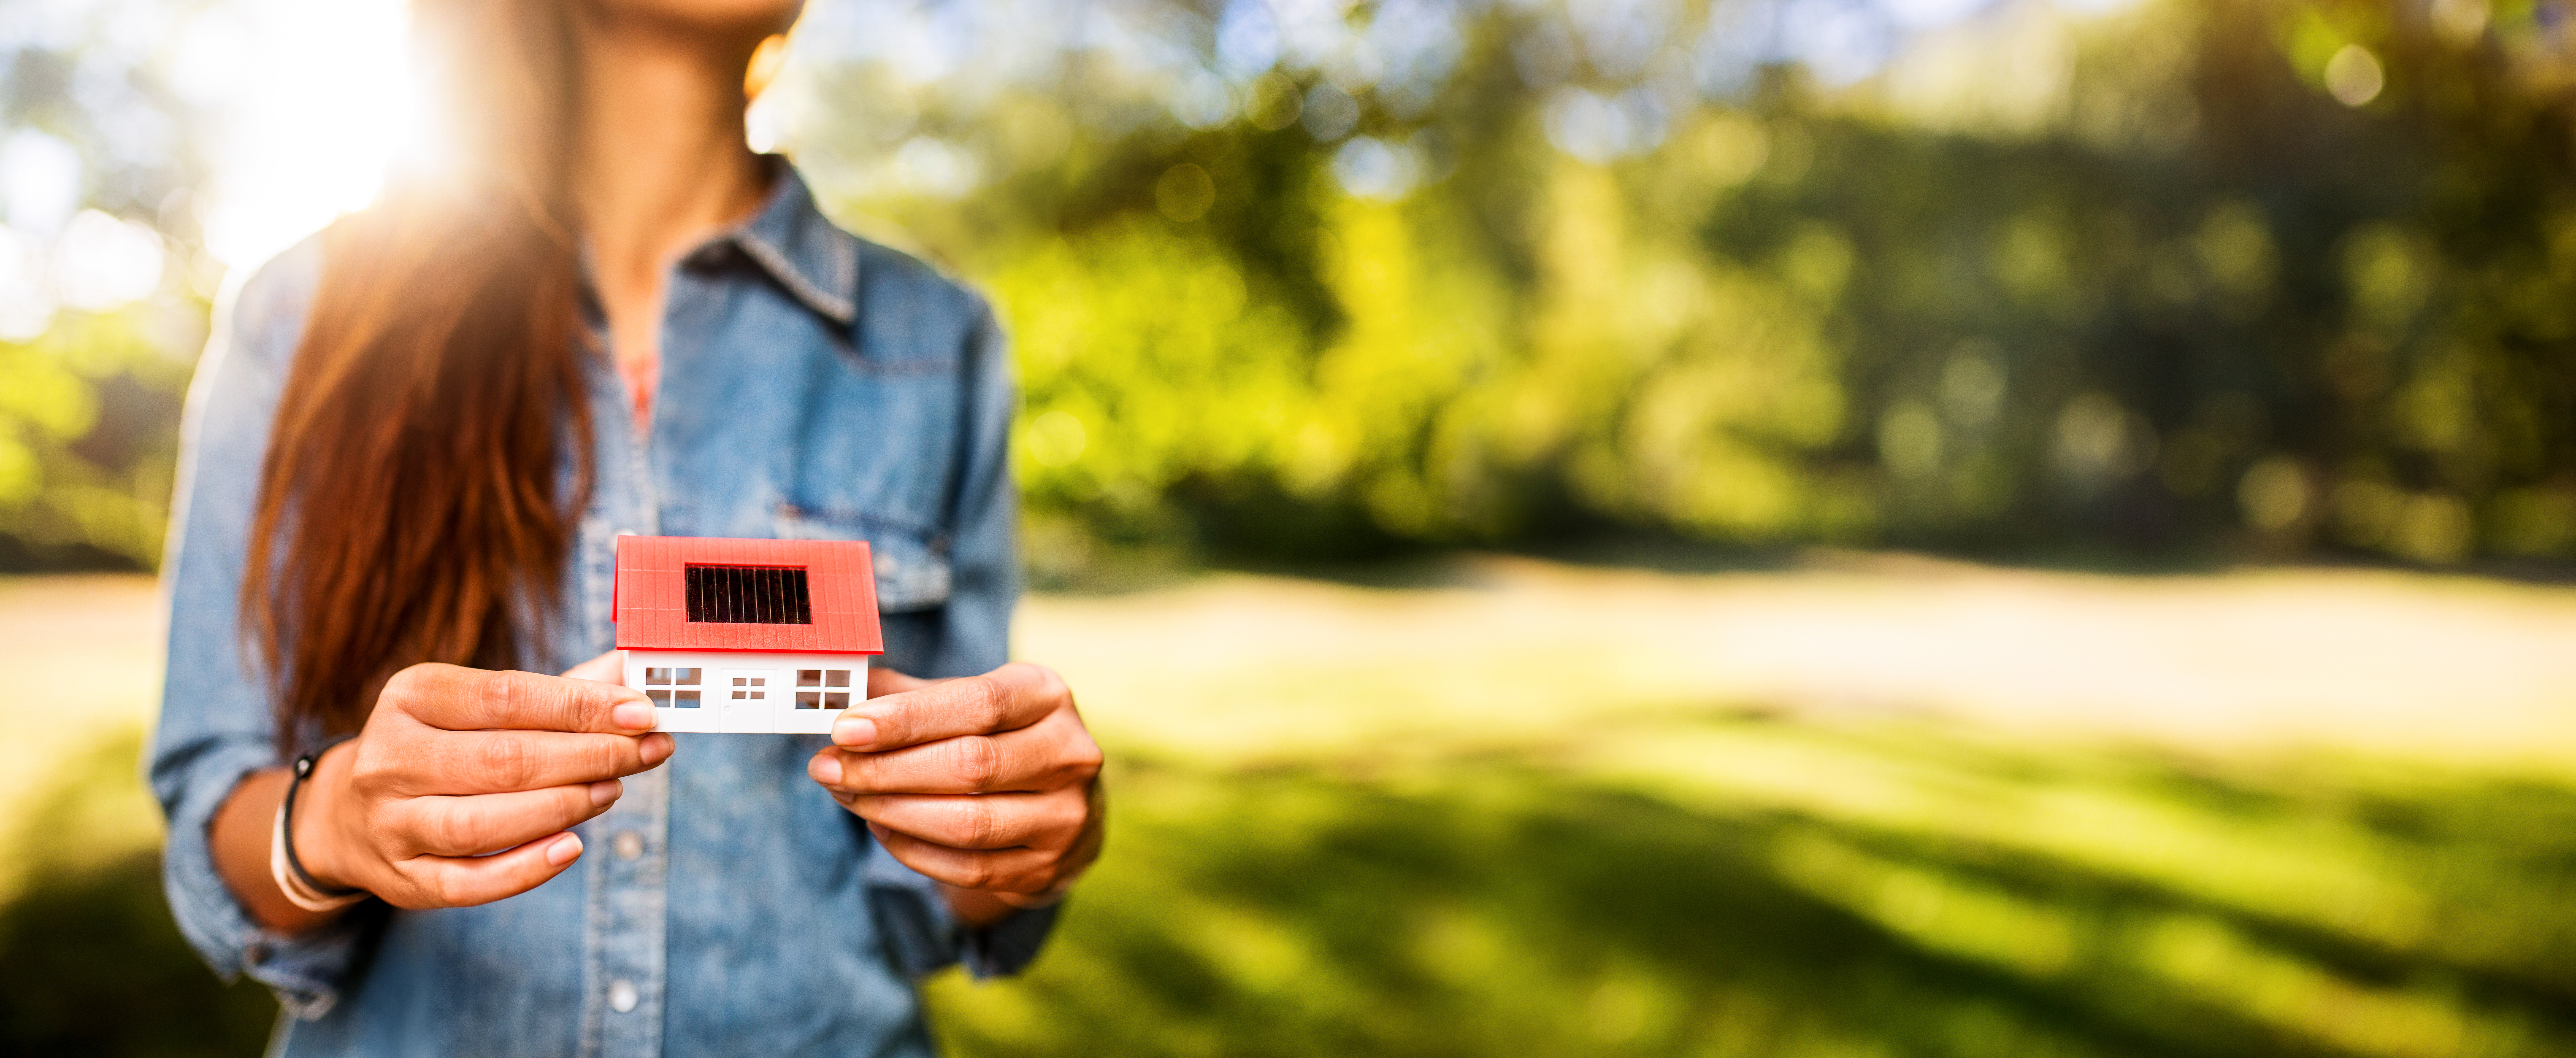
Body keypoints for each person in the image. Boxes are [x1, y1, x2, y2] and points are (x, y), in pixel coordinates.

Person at [146, 0, 1105, 1052]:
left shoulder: (937, 340)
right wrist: (329, 822)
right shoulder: (308, 312)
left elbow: (936, 894)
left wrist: (1020, 834)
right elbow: (211, 812)